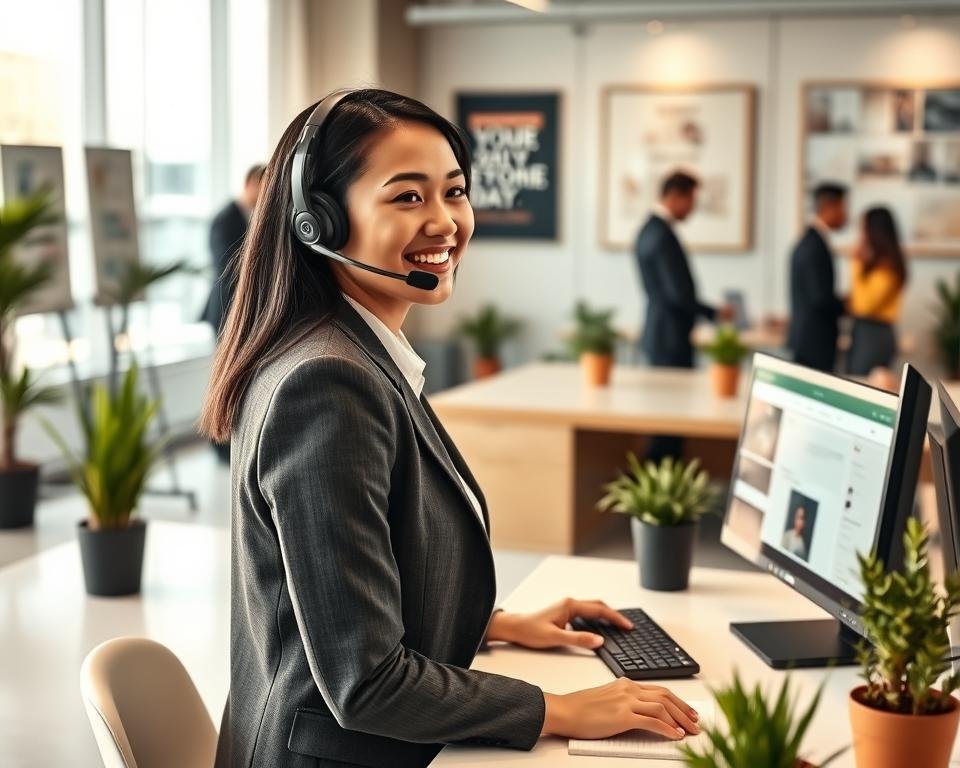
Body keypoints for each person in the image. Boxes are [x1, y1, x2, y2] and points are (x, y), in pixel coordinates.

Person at [200, 89, 699, 768]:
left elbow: (340, 601)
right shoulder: (327, 385)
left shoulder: (350, 353)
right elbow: (364, 681)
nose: (445, 223)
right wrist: (558, 709)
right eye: (407, 197)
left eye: (455, 192)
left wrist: (493, 625)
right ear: (319, 221)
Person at [634, 170, 725, 462]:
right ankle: (664, 499)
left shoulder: (649, 230)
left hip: (661, 333)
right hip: (669, 338)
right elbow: (678, 294)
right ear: (676, 196)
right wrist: (713, 312)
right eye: (692, 200)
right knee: (669, 425)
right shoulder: (661, 234)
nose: (693, 208)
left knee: (665, 420)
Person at [201, 164, 264, 464]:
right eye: (262, 188)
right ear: (250, 183)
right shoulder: (224, 220)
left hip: (243, 312)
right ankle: (219, 445)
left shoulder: (250, 219)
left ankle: (236, 441)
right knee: (225, 377)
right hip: (226, 311)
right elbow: (226, 270)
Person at [788, 182, 848, 372]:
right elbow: (820, 298)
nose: (846, 215)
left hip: (807, 339)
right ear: (830, 207)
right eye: (843, 208)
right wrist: (847, 305)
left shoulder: (808, 241)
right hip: (815, 342)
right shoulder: (815, 246)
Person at [201, 164, 266, 337]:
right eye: (265, 186)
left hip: (243, 307)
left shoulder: (253, 217)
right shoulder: (225, 219)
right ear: (250, 183)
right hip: (227, 306)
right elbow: (225, 264)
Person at [847, 206, 908, 376]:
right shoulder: (878, 264)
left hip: (874, 334)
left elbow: (863, 306)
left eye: (863, 228)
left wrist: (856, 263)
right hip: (867, 331)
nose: (861, 234)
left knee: (861, 384)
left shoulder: (887, 267)